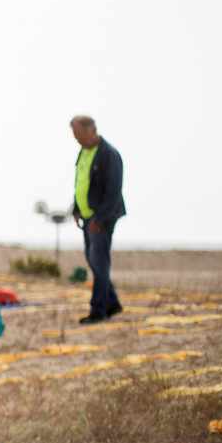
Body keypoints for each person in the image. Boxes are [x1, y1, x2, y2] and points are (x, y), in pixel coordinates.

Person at [70, 115, 126, 324]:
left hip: (101, 218)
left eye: (78, 133)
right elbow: (80, 183)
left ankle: (98, 310)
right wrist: (75, 208)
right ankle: (112, 303)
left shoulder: (109, 155)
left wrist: (100, 219)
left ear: (91, 130)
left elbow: (113, 191)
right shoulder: (83, 152)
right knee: (93, 261)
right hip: (86, 217)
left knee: (99, 263)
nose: (75, 138)